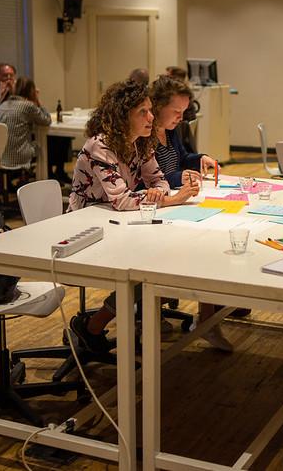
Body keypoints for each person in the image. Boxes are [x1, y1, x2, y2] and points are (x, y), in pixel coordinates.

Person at [67, 79, 199, 352]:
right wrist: (170, 199)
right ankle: (93, 326)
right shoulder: (99, 147)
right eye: (143, 112)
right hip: (87, 228)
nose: (151, 117)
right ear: (122, 114)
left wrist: (158, 193)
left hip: (120, 223)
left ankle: (118, 322)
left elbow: (159, 180)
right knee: (150, 266)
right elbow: (122, 200)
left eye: (150, 110)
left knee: (163, 259)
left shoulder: (141, 143)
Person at [149, 75, 233, 351]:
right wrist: (180, 176)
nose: (180, 117)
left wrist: (199, 159)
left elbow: (182, 159)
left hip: (176, 206)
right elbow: (151, 180)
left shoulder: (171, 131)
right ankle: (149, 315)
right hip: (157, 211)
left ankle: (208, 320)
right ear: (157, 106)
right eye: (175, 111)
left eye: (183, 112)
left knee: (208, 246)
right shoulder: (144, 134)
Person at [0, 76, 50, 170]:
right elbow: (46, 120)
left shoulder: (3, 105)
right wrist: (38, 100)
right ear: (32, 91)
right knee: (44, 146)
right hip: (19, 156)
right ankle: (45, 178)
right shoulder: (28, 106)